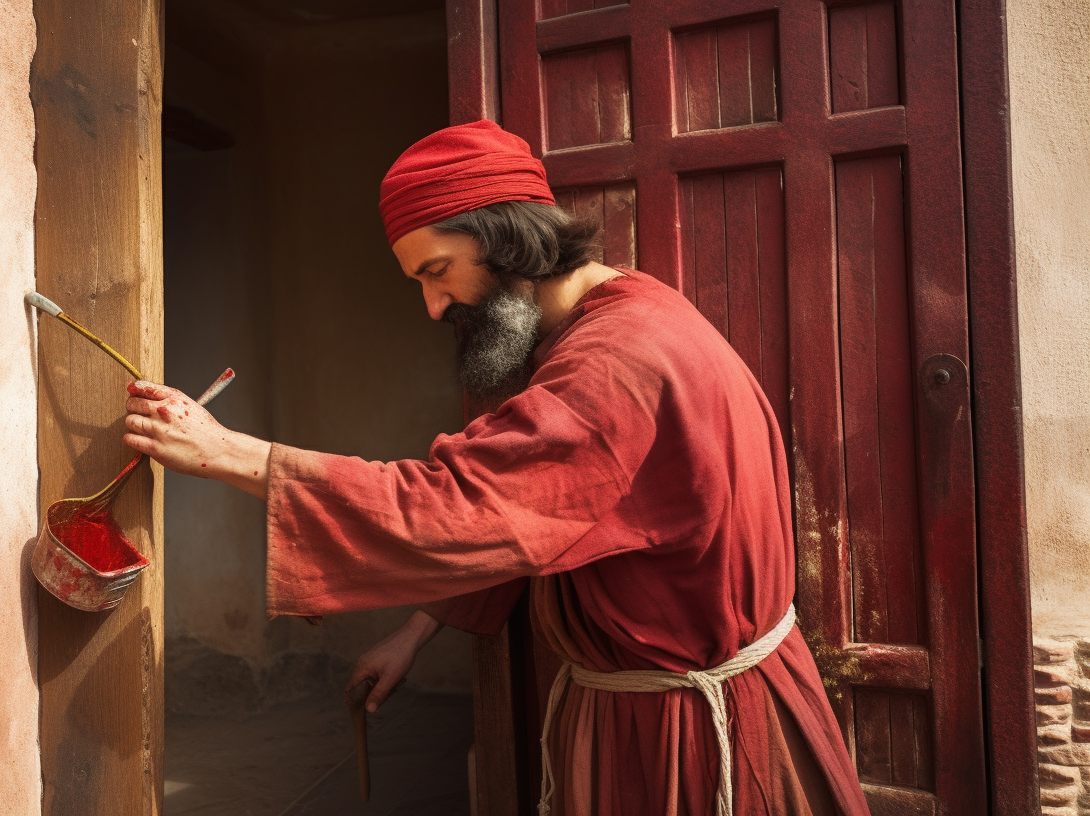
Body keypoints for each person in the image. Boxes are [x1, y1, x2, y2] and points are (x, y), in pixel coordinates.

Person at [122, 120, 869, 816]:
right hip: (667, 709)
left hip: (687, 744)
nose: (433, 305)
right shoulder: (627, 312)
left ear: (509, 240)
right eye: (420, 280)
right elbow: (540, 515)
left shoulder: (612, 367)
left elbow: (458, 504)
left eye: (439, 271)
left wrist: (228, 453)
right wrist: (416, 633)